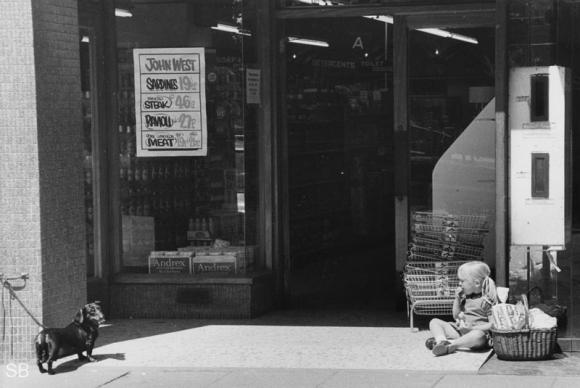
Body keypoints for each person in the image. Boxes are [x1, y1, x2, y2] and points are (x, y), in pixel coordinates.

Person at [425, 261, 498, 356]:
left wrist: (472, 328)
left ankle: (452, 345)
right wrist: (457, 299)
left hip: (477, 334)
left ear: (476, 283)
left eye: (462, 281)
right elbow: (456, 316)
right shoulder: (464, 297)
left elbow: (493, 324)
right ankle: (441, 341)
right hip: (460, 331)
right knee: (434, 321)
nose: (460, 284)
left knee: (478, 335)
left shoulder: (486, 301)